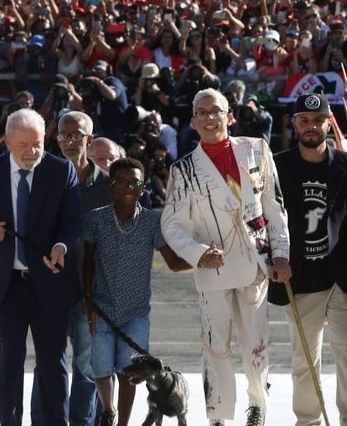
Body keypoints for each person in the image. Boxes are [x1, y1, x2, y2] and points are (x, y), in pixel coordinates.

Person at [160, 88, 291, 426]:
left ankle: (257, 410)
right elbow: (172, 225)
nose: (209, 118)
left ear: (229, 116)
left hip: (257, 267)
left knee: (256, 346)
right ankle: (218, 416)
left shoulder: (257, 150)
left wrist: (281, 254)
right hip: (213, 272)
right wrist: (199, 253)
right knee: (216, 347)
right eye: (201, 112)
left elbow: (274, 207)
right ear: (192, 121)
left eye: (215, 111)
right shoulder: (183, 170)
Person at [0, 108, 83, 426]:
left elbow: (72, 222)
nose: (32, 151)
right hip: (7, 285)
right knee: (9, 364)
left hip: (50, 283)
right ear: (7, 142)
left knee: (53, 364)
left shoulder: (61, 171)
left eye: (38, 143)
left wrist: (61, 246)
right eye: (24, 144)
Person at [272, 93, 347, 426]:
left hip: (342, 278)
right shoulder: (277, 166)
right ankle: (308, 421)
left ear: (329, 122)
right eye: (304, 121)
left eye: (317, 120)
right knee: (304, 360)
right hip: (300, 279)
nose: (311, 127)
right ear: (294, 123)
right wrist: (275, 259)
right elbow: (266, 219)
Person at [84, 158, 186, 426]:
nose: (129, 188)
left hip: (136, 311)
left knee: (130, 370)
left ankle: (123, 424)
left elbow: (174, 262)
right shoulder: (97, 219)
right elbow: (87, 262)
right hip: (103, 307)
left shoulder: (152, 222)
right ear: (111, 188)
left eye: (136, 183)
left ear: (143, 189)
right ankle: (109, 410)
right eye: (122, 182)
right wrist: (89, 303)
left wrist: (204, 260)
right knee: (101, 366)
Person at [32, 111, 112, 426]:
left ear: (90, 141)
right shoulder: (43, 178)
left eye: (76, 135)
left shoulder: (108, 186)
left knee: (85, 367)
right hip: (50, 289)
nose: (69, 141)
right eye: (63, 135)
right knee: (47, 363)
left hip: (90, 291)